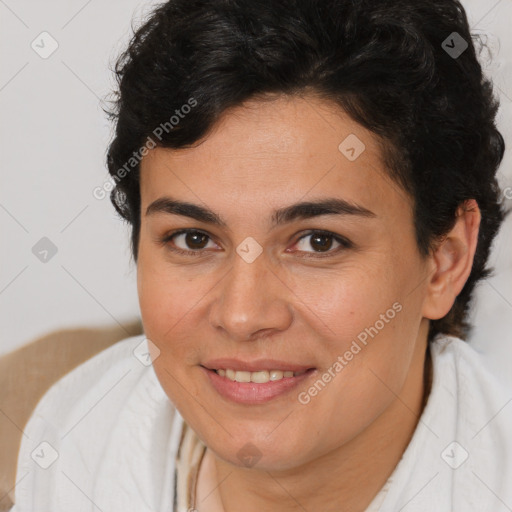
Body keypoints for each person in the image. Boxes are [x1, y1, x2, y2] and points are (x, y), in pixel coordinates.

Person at [10, 0, 512, 511]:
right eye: (194, 239)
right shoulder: (73, 439)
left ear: (444, 261)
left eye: (319, 242)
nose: (242, 315)